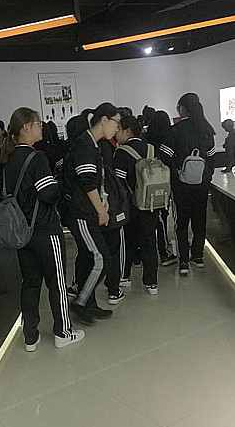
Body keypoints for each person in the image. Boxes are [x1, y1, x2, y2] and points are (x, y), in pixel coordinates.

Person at [0, 107, 83, 351]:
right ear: (26, 127)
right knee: (57, 282)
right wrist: (58, 185)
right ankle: (63, 332)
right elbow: (48, 194)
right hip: (45, 229)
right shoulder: (37, 158)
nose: (41, 128)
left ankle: (30, 336)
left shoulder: (7, 159)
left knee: (30, 283)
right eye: (38, 123)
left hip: (21, 231)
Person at [64, 103, 121, 324]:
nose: (117, 128)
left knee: (89, 258)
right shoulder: (85, 145)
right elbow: (88, 183)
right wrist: (101, 211)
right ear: (104, 120)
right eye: (116, 123)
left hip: (86, 211)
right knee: (101, 259)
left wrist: (102, 205)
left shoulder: (92, 144)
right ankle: (80, 303)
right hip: (81, 213)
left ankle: (89, 304)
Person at [159, 93, 217, 276]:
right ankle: (198, 256)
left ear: (183, 108)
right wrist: (205, 176)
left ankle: (183, 260)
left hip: (181, 185)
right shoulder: (207, 130)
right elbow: (212, 159)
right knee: (200, 219)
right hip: (201, 184)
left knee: (181, 222)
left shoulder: (175, 130)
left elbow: (164, 157)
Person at [113, 115, 159, 295]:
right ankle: (151, 282)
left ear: (127, 131)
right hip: (151, 203)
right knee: (149, 242)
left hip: (131, 206)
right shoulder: (151, 148)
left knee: (128, 241)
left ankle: (125, 276)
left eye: (118, 130)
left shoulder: (121, 152)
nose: (115, 134)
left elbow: (119, 183)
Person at [145, 110, 178, 266]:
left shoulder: (146, 142)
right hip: (164, 184)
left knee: (148, 220)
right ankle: (164, 253)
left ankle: (143, 252)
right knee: (162, 219)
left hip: (147, 186)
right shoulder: (169, 140)